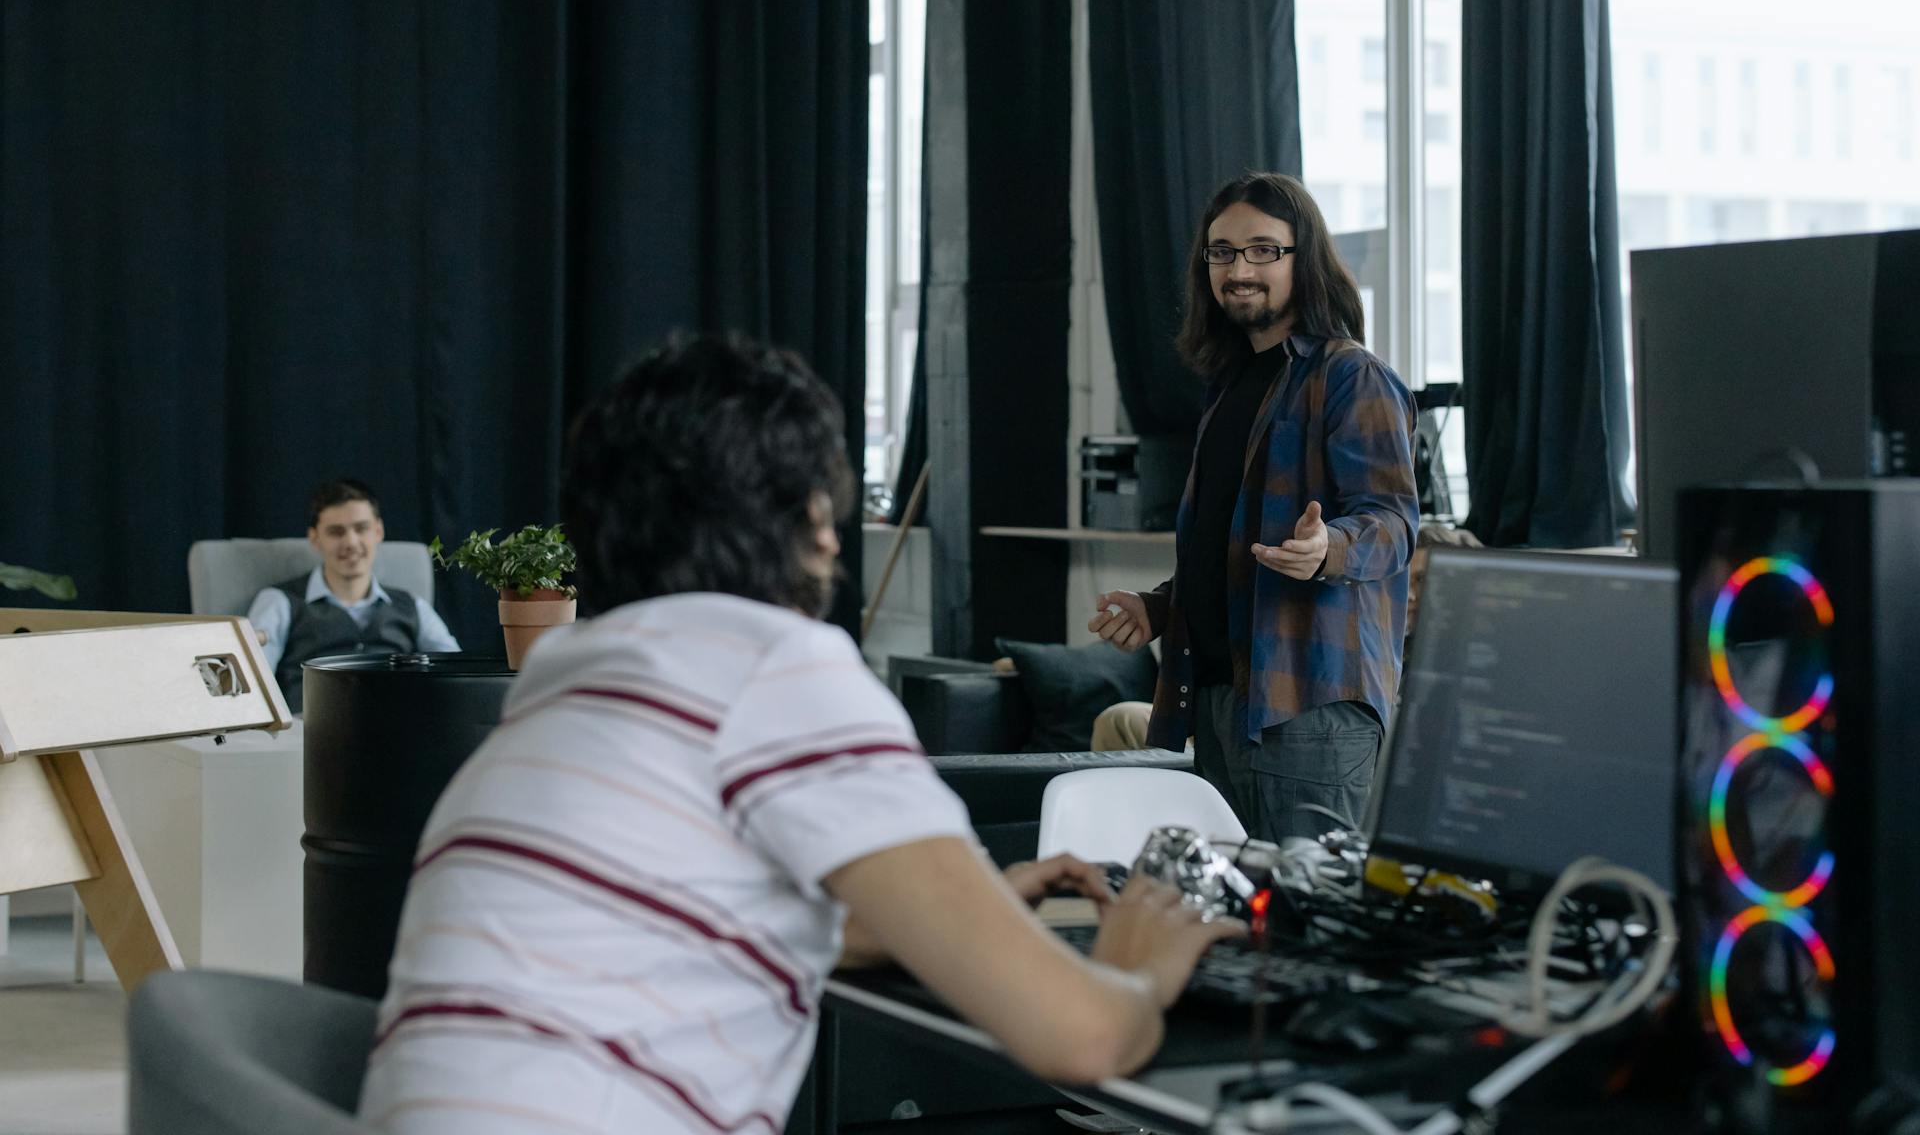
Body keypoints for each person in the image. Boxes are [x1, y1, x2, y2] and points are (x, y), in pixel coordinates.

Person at [357, 335, 1241, 1135]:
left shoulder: (569, 683)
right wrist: (1138, 963)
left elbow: (702, 922)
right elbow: (1082, 1039)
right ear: (814, 521)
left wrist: (955, 919)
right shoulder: (773, 666)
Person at [1088, 172, 1417, 844]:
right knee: (1240, 931)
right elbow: (1230, 551)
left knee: (1311, 933)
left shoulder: (1350, 375)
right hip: (1214, 703)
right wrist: (1158, 607)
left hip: (1307, 712)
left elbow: (1391, 522)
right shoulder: (1231, 384)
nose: (1239, 269)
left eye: (1263, 249)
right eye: (1222, 251)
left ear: (1304, 259)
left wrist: (1330, 548)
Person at [247, 479, 459, 713]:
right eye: (336, 532)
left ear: (378, 531)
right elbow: (251, 681)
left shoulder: (413, 605)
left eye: (361, 528)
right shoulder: (280, 601)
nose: (350, 542)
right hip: (309, 737)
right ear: (315, 538)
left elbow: (455, 674)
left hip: (400, 733)